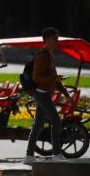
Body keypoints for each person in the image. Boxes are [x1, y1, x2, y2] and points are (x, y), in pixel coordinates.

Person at [24, 27, 69, 164]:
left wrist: (65, 92)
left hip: (44, 94)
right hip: (41, 94)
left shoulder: (49, 55)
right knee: (56, 121)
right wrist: (54, 78)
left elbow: (53, 78)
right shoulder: (43, 56)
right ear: (48, 39)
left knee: (37, 125)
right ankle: (56, 154)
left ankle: (29, 156)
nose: (57, 41)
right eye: (55, 39)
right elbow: (37, 77)